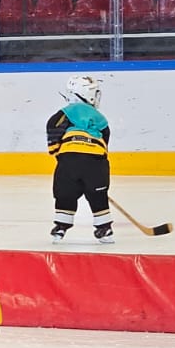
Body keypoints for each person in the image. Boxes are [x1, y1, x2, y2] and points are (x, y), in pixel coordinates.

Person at [46, 75, 112, 243]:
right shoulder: (100, 117)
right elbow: (105, 137)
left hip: (69, 158)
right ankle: (105, 229)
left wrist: (56, 150)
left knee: (65, 193)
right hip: (96, 160)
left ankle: (61, 227)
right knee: (98, 195)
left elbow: (52, 125)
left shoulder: (67, 112)